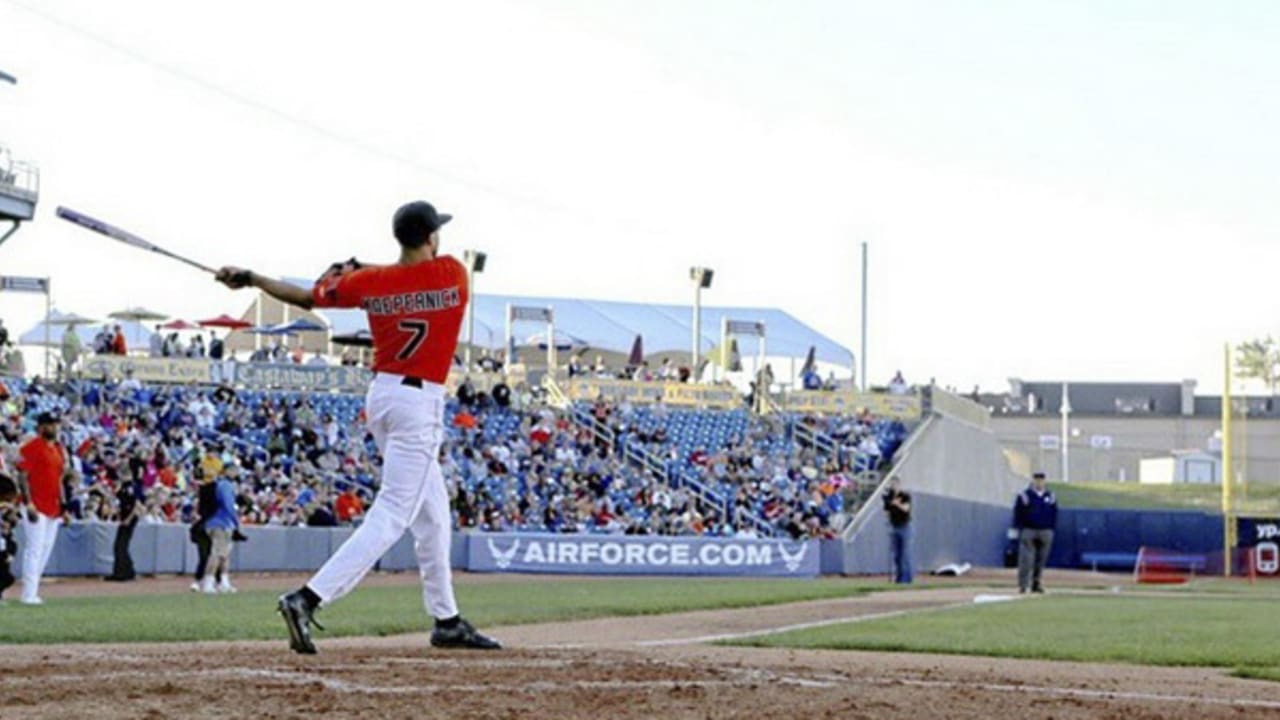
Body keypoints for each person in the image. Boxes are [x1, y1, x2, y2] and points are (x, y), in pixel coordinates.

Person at [216, 199, 500, 653]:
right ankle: (309, 598)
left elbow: (311, 295)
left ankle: (446, 618)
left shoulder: (372, 283)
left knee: (434, 516)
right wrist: (351, 269)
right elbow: (409, 275)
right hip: (420, 401)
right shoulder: (453, 273)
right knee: (393, 514)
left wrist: (252, 278)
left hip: (384, 396)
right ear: (431, 237)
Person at [15, 412, 67, 605]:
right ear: (41, 427)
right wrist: (28, 502)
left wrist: (64, 505)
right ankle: (28, 594)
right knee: (34, 549)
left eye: (56, 424)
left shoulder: (59, 449)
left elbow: (60, 479)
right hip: (35, 504)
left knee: (45, 549)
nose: (55, 428)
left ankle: (33, 591)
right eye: (51, 425)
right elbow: (22, 475)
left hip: (53, 505)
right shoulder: (32, 447)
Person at [1014, 472, 1057, 594]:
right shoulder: (1025, 496)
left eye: (1041, 480)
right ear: (1033, 481)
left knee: (1041, 560)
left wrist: (1051, 528)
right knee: (1026, 559)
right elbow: (1018, 513)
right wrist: (1020, 528)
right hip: (1029, 530)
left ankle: (1036, 583)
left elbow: (1054, 513)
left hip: (1045, 530)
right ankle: (1023, 585)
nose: (1039, 483)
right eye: (1037, 480)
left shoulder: (1051, 496)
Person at [201, 469, 239, 594]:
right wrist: (236, 520)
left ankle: (224, 582)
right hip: (220, 523)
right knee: (217, 553)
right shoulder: (225, 485)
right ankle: (208, 583)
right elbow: (228, 505)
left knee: (224, 554)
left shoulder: (217, 485)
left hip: (218, 522)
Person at [104, 474, 141, 582]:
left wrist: (128, 519)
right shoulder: (123, 487)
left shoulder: (130, 487)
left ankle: (123, 573)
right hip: (125, 517)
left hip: (129, 518)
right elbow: (120, 503)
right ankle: (126, 571)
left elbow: (135, 505)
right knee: (120, 546)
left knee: (120, 546)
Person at [881, 476, 912, 584]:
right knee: (896, 555)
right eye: (892, 484)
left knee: (904, 553)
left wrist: (897, 504)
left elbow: (906, 508)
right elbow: (886, 511)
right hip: (894, 526)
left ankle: (906, 578)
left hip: (904, 526)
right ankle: (898, 578)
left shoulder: (904, 496)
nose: (893, 486)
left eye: (895, 484)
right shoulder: (889, 497)